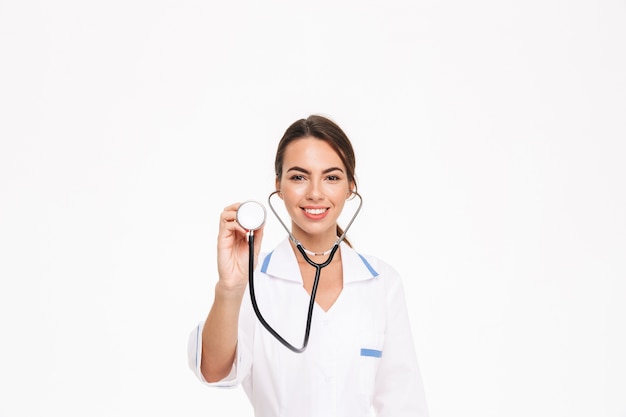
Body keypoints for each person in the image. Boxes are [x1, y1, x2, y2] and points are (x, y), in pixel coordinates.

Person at [188, 115, 429, 417]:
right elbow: (213, 371)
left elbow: (403, 404)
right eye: (299, 177)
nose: (315, 193)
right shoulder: (254, 283)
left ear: (351, 186)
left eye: (331, 177)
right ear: (279, 185)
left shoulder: (382, 283)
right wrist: (230, 288)